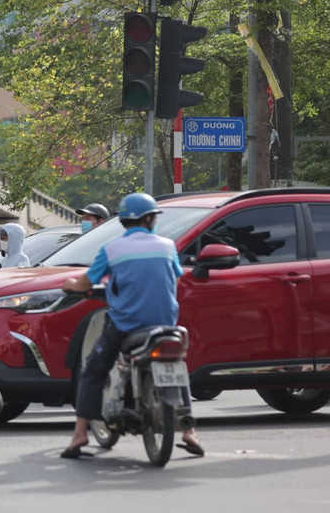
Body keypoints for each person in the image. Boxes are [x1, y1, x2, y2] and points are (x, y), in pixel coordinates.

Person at [60, 192, 203, 459]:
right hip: (165, 324)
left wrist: (70, 285)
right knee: (177, 366)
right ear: (149, 219)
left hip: (126, 325)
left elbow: (85, 284)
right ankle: (189, 431)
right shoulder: (167, 246)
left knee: (92, 370)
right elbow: (174, 277)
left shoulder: (112, 249)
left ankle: (79, 434)